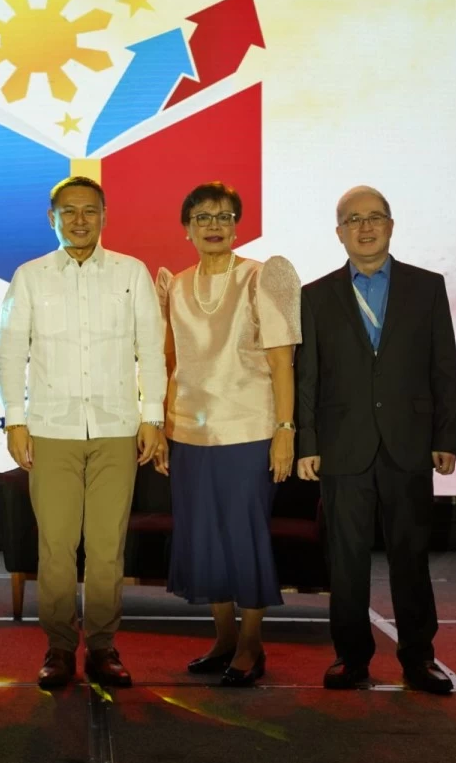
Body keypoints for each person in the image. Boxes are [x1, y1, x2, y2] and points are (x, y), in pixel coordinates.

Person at [0, 176, 167, 689]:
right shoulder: (29, 277)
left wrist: (152, 417)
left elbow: (151, 349)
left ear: (104, 215)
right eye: (67, 211)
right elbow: (10, 351)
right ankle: (58, 647)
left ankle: (102, 646)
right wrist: (15, 419)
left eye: (88, 211)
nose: (78, 220)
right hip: (51, 428)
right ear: (51, 218)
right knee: (56, 545)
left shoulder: (130, 273)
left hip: (117, 426)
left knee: (107, 546)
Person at [295, 185, 456, 695]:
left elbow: (444, 367)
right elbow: (308, 377)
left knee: (410, 556)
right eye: (352, 220)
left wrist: (447, 436)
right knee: (345, 560)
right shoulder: (316, 295)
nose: (364, 228)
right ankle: (351, 656)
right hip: (343, 446)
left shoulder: (426, 287)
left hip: (409, 443)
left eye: (374, 218)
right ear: (339, 232)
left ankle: (418, 657)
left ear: (391, 225)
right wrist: (307, 442)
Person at [156, 182, 301, 687]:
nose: (213, 225)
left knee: (244, 535)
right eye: (201, 217)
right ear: (187, 227)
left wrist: (285, 430)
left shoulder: (264, 277)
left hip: (250, 428)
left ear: (237, 223)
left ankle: (252, 644)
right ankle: (222, 638)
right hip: (189, 432)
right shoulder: (174, 284)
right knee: (205, 538)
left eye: (223, 215)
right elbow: (167, 362)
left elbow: (284, 362)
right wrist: (159, 425)